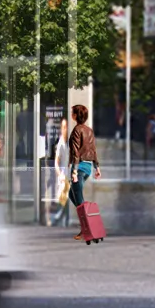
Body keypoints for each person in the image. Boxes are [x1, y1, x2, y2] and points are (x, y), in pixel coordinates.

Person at [64, 101, 101, 244]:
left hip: (78, 168)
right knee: (72, 195)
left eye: (72, 112)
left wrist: (73, 171)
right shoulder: (89, 130)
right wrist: (97, 167)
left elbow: (75, 153)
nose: (71, 114)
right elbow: (93, 150)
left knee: (80, 202)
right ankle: (88, 226)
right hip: (87, 167)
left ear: (75, 116)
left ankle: (89, 229)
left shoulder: (76, 131)